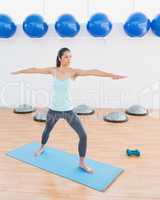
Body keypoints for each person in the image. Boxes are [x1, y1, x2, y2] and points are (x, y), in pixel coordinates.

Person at [11, 47, 127, 173]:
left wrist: (111, 75)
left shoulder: (73, 72)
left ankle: (82, 162)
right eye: (66, 56)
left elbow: (93, 71)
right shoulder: (53, 70)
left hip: (68, 111)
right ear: (60, 58)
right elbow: (34, 70)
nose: (69, 59)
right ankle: (42, 147)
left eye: (70, 56)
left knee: (83, 135)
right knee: (47, 130)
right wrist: (20, 71)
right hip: (54, 110)